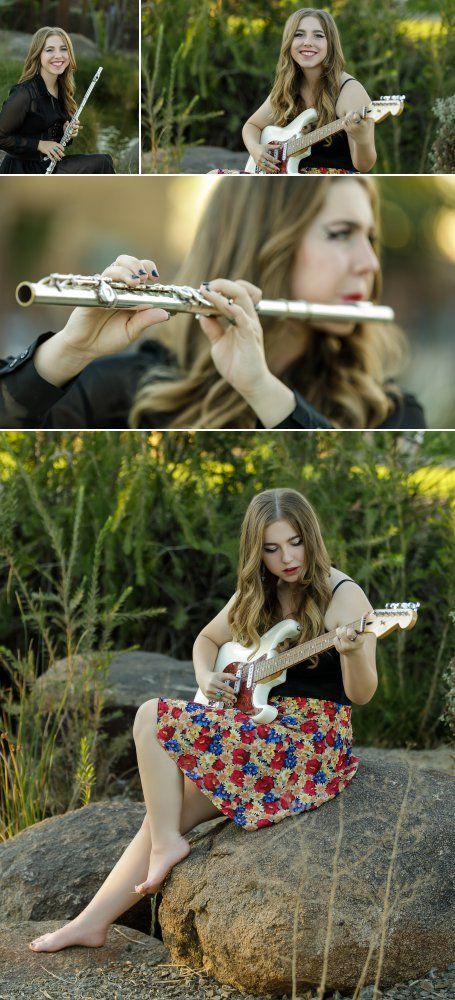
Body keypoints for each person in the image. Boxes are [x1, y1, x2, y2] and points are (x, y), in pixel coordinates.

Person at [29, 486, 378, 953]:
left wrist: (353, 653)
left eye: (294, 542)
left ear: (310, 535)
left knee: (152, 717)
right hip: (259, 734)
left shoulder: (345, 597)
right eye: (271, 549)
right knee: (161, 814)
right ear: (257, 552)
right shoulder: (261, 592)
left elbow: (363, 693)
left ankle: (166, 847)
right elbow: (206, 641)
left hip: (309, 746)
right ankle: (91, 923)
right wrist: (207, 676)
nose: (286, 558)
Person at [0, 176, 425, 430]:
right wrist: (67, 352)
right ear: (266, 241)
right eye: (341, 234)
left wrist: (262, 389)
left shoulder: (389, 413)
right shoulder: (131, 392)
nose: (369, 263)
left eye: (370, 238)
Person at [239, 7, 376, 175]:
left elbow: (364, 165)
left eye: (318, 35)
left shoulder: (349, 90)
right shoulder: (288, 86)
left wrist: (362, 140)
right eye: (299, 34)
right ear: (289, 42)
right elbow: (251, 126)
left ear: (330, 44)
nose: (308, 42)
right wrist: (256, 149)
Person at [0, 27, 115, 174]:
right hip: (24, 169)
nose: (58, 56)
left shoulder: (62, 91)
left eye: (63, 49)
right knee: (102, 163)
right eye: (49, 50)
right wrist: (39, 145)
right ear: (38, 55)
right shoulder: (24, 93)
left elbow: (55, 140)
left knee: (106, 160)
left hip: (49, 165)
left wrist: (65, 131)